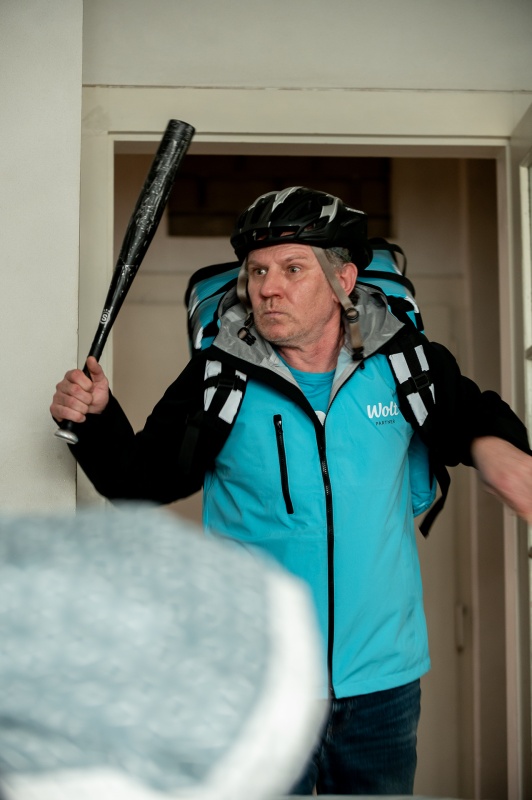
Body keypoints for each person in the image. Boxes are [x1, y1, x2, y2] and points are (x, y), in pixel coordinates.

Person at [51, 186, 532, 795]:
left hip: (381, 684)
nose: (267, 288)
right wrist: (96, 420)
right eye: (257, 271)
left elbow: (473, 415)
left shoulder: (406, 362)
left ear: (343, 280)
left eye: (292, 268)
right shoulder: (219, 376)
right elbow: (138, 481)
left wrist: (496, 448)